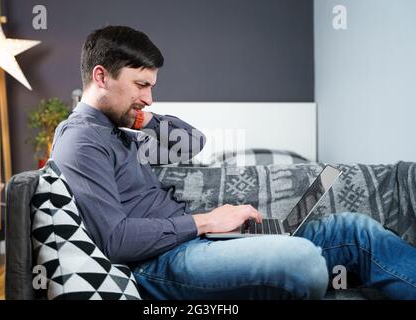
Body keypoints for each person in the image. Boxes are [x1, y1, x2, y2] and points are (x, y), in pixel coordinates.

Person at [51, 25, 416, 300]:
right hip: (158, 263)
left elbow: (194, 143)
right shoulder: (82, 140)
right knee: (302, 261)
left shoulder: (121, 128)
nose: (149, 97)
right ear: (101, 76)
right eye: (141, 85)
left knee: (353, 230)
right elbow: (115, 240)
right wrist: (208, 220)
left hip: (197, 241)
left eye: (151, 86)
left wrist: (143, 117)